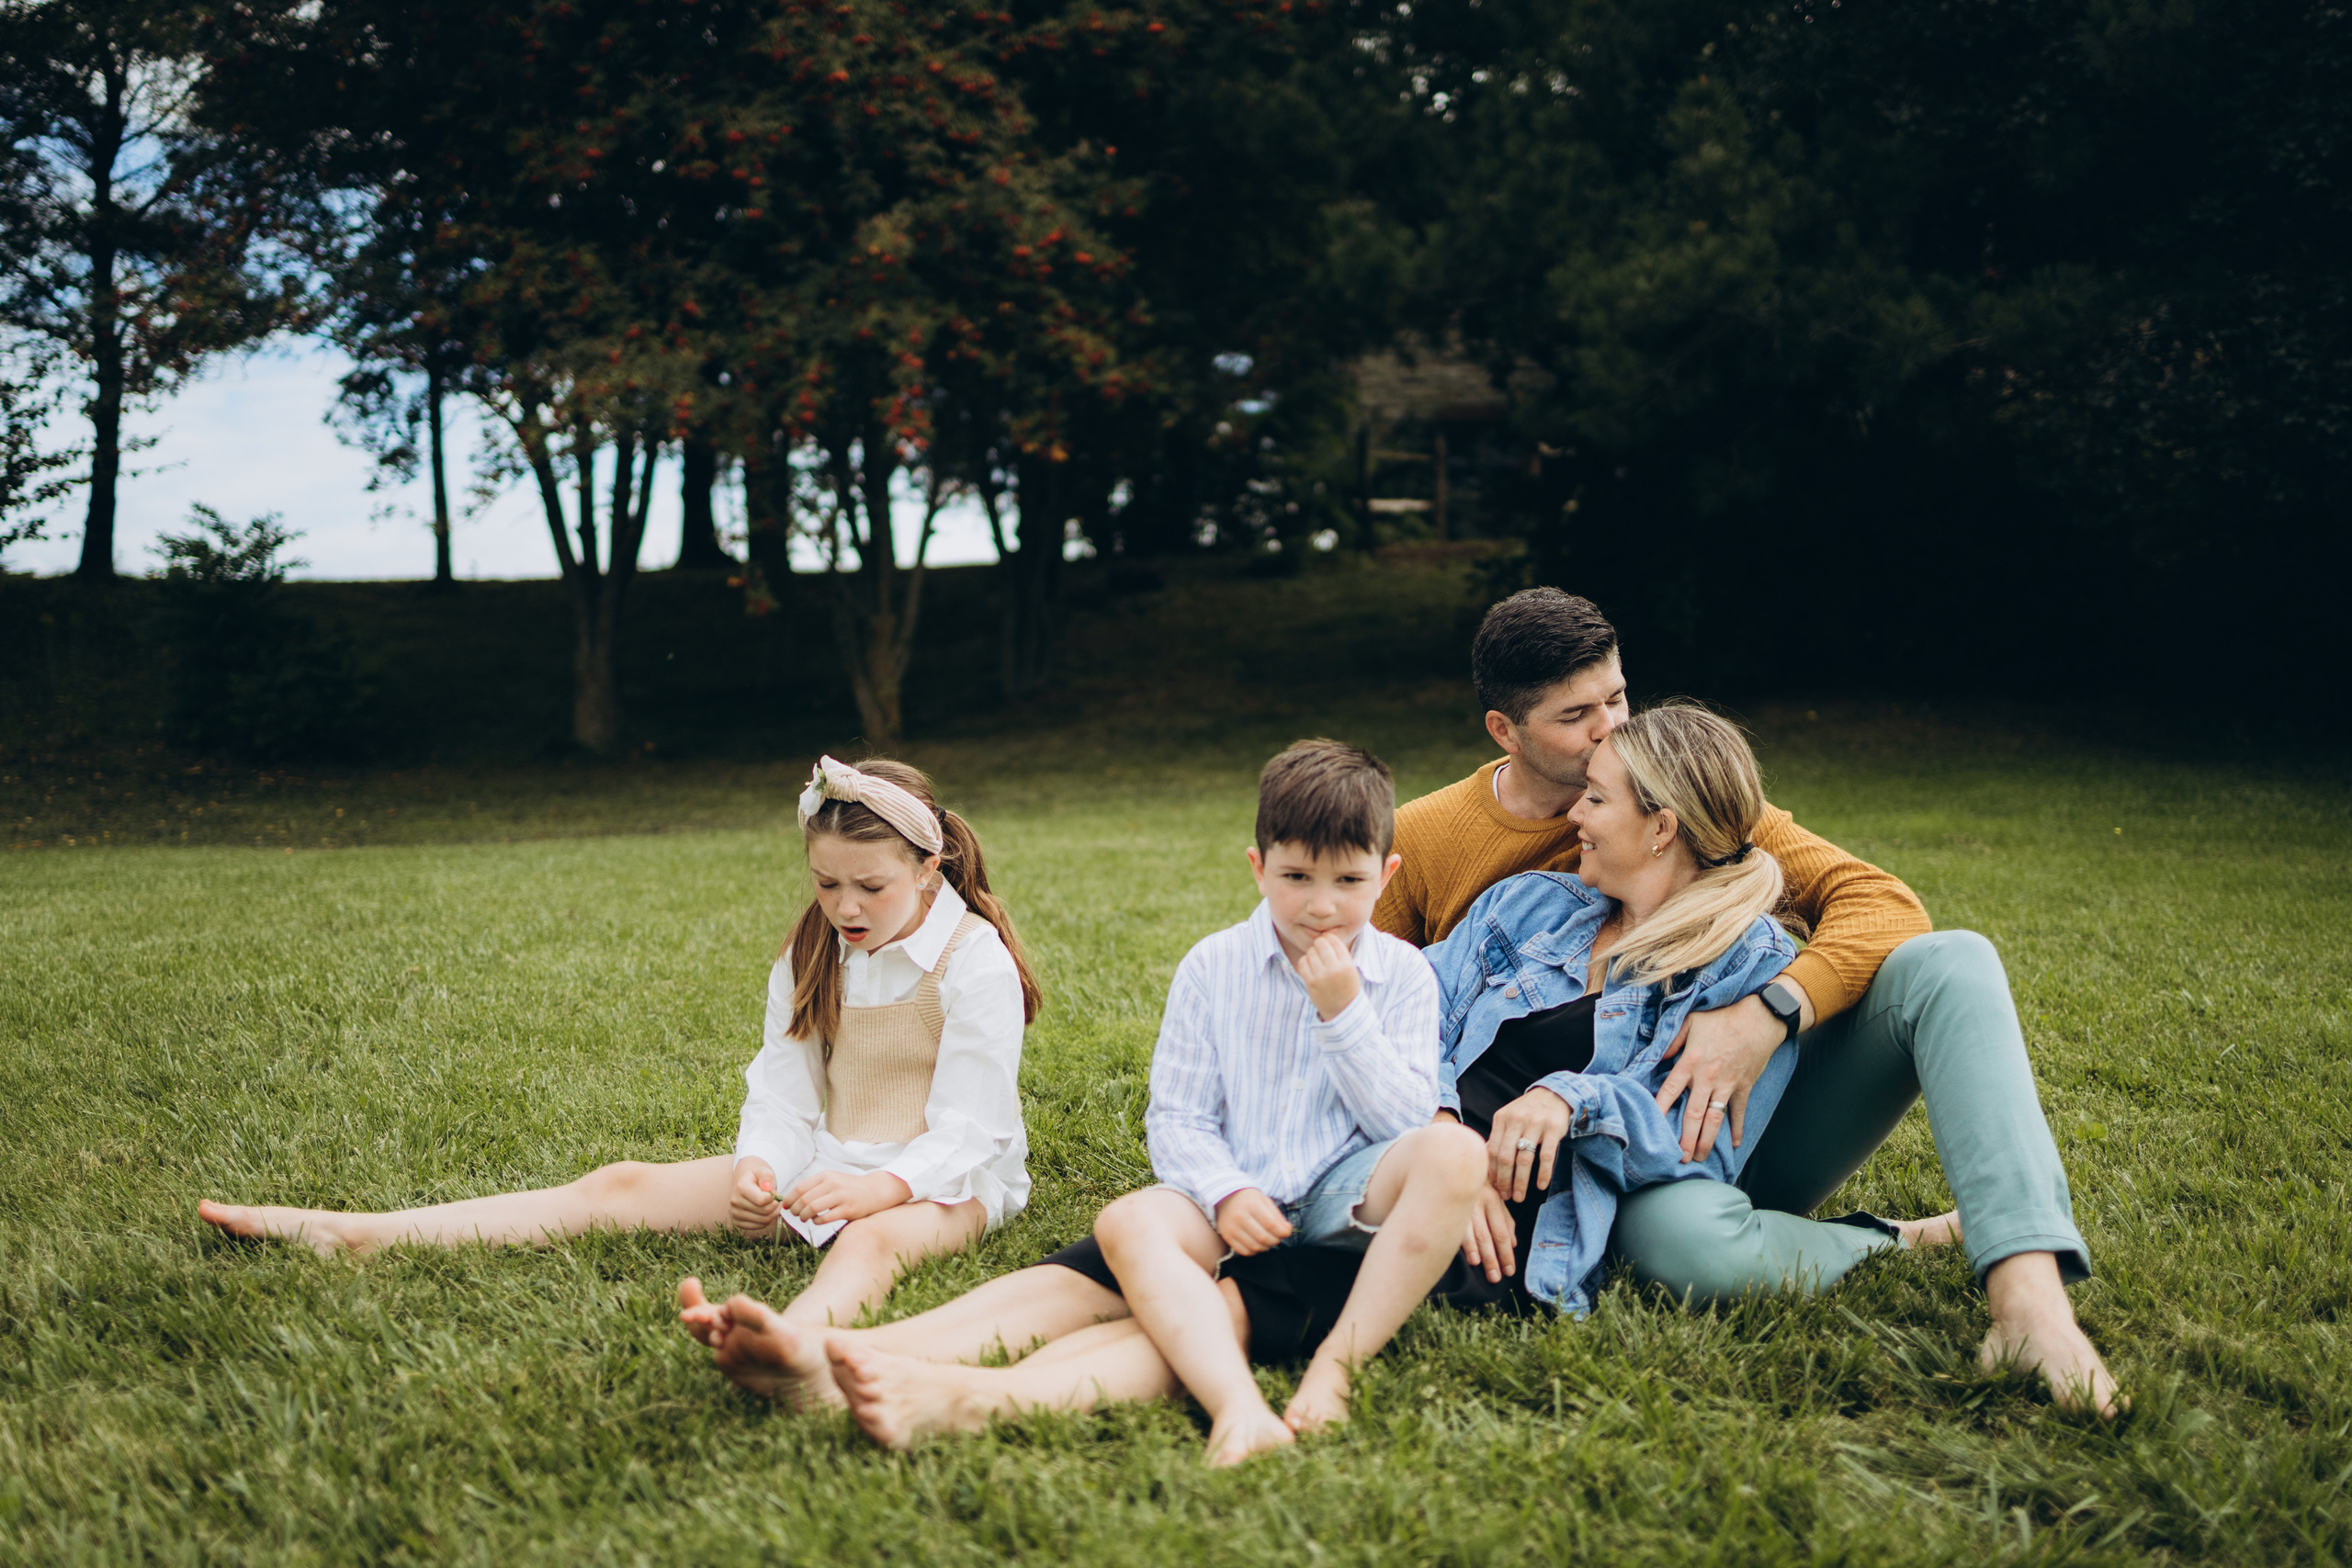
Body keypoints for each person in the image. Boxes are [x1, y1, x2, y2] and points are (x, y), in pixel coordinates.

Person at [1375, 588, 2117, 1415]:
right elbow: (1382, 1002)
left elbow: (1883, 903)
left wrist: (1769, 1013)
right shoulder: (1442, 848)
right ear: (1505, 731)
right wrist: (1443, 1147)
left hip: (1742, 1105)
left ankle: (2031, 1298)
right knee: (1669, 1238)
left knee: (1953, 962)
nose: (1613, 728)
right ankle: (1896, 1241)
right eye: (1577, 715)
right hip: (1609, 1152)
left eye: (1619, 696)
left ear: (1665, 824)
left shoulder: (1686, 791)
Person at [200, 756, 1043, 1339]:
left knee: (873, 1243)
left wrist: (879, 1189)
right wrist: (761, 1167)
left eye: (871, 886)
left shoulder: (973, 963)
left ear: (929, 868)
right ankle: (359, 1233)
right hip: (830, 1160)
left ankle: (790, 1338)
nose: (845, 906)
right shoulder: (811, 951)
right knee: (619, 1184)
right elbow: (784, 1088)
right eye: (827, 883)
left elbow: (975, 1128)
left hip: (945, 1181)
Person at [1090, 739, 1487, 1465]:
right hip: (1238, 1194)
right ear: (1257, 865)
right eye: (1296, 874)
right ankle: (1238, 1406)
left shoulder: (1401, 975)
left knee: (1459, 1149)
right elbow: (1177, 1116)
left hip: (1346, 1196)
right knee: (1126, 1218)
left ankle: (1338, 1362)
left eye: (1349, 877)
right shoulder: (1212, 966)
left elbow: (1406, 1124)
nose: (1322, 903)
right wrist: (1225, 1188)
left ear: (1385, 874)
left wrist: (1343, 1013)